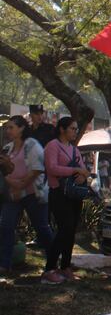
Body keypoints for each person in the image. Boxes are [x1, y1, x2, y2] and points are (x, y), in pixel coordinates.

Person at [0, 116, 57, 281]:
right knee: (6, 225)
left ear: (21, 128)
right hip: (14, 194)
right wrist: (13, 184)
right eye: (7, 128)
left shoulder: (31, 144)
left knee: (41, 228)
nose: (8, 131)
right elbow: (5, 172)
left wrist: (21, 185)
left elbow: (37, 169)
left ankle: (53, 263)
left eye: (11, 127)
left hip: (32, 194)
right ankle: (5, 264)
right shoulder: (8, 148)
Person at [44, 117, 90, 282]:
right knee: (64, 228)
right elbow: (52, 168)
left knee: (70, 231)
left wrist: (81, 174)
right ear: (62, 129)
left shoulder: (74, 149)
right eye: (72, 128)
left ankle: (65, 266)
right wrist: (74, 170)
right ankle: (49, 269)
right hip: (58, 193)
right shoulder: (52, 146)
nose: (75, 132)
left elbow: (84, 169)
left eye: (76, 129)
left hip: (74, 195)